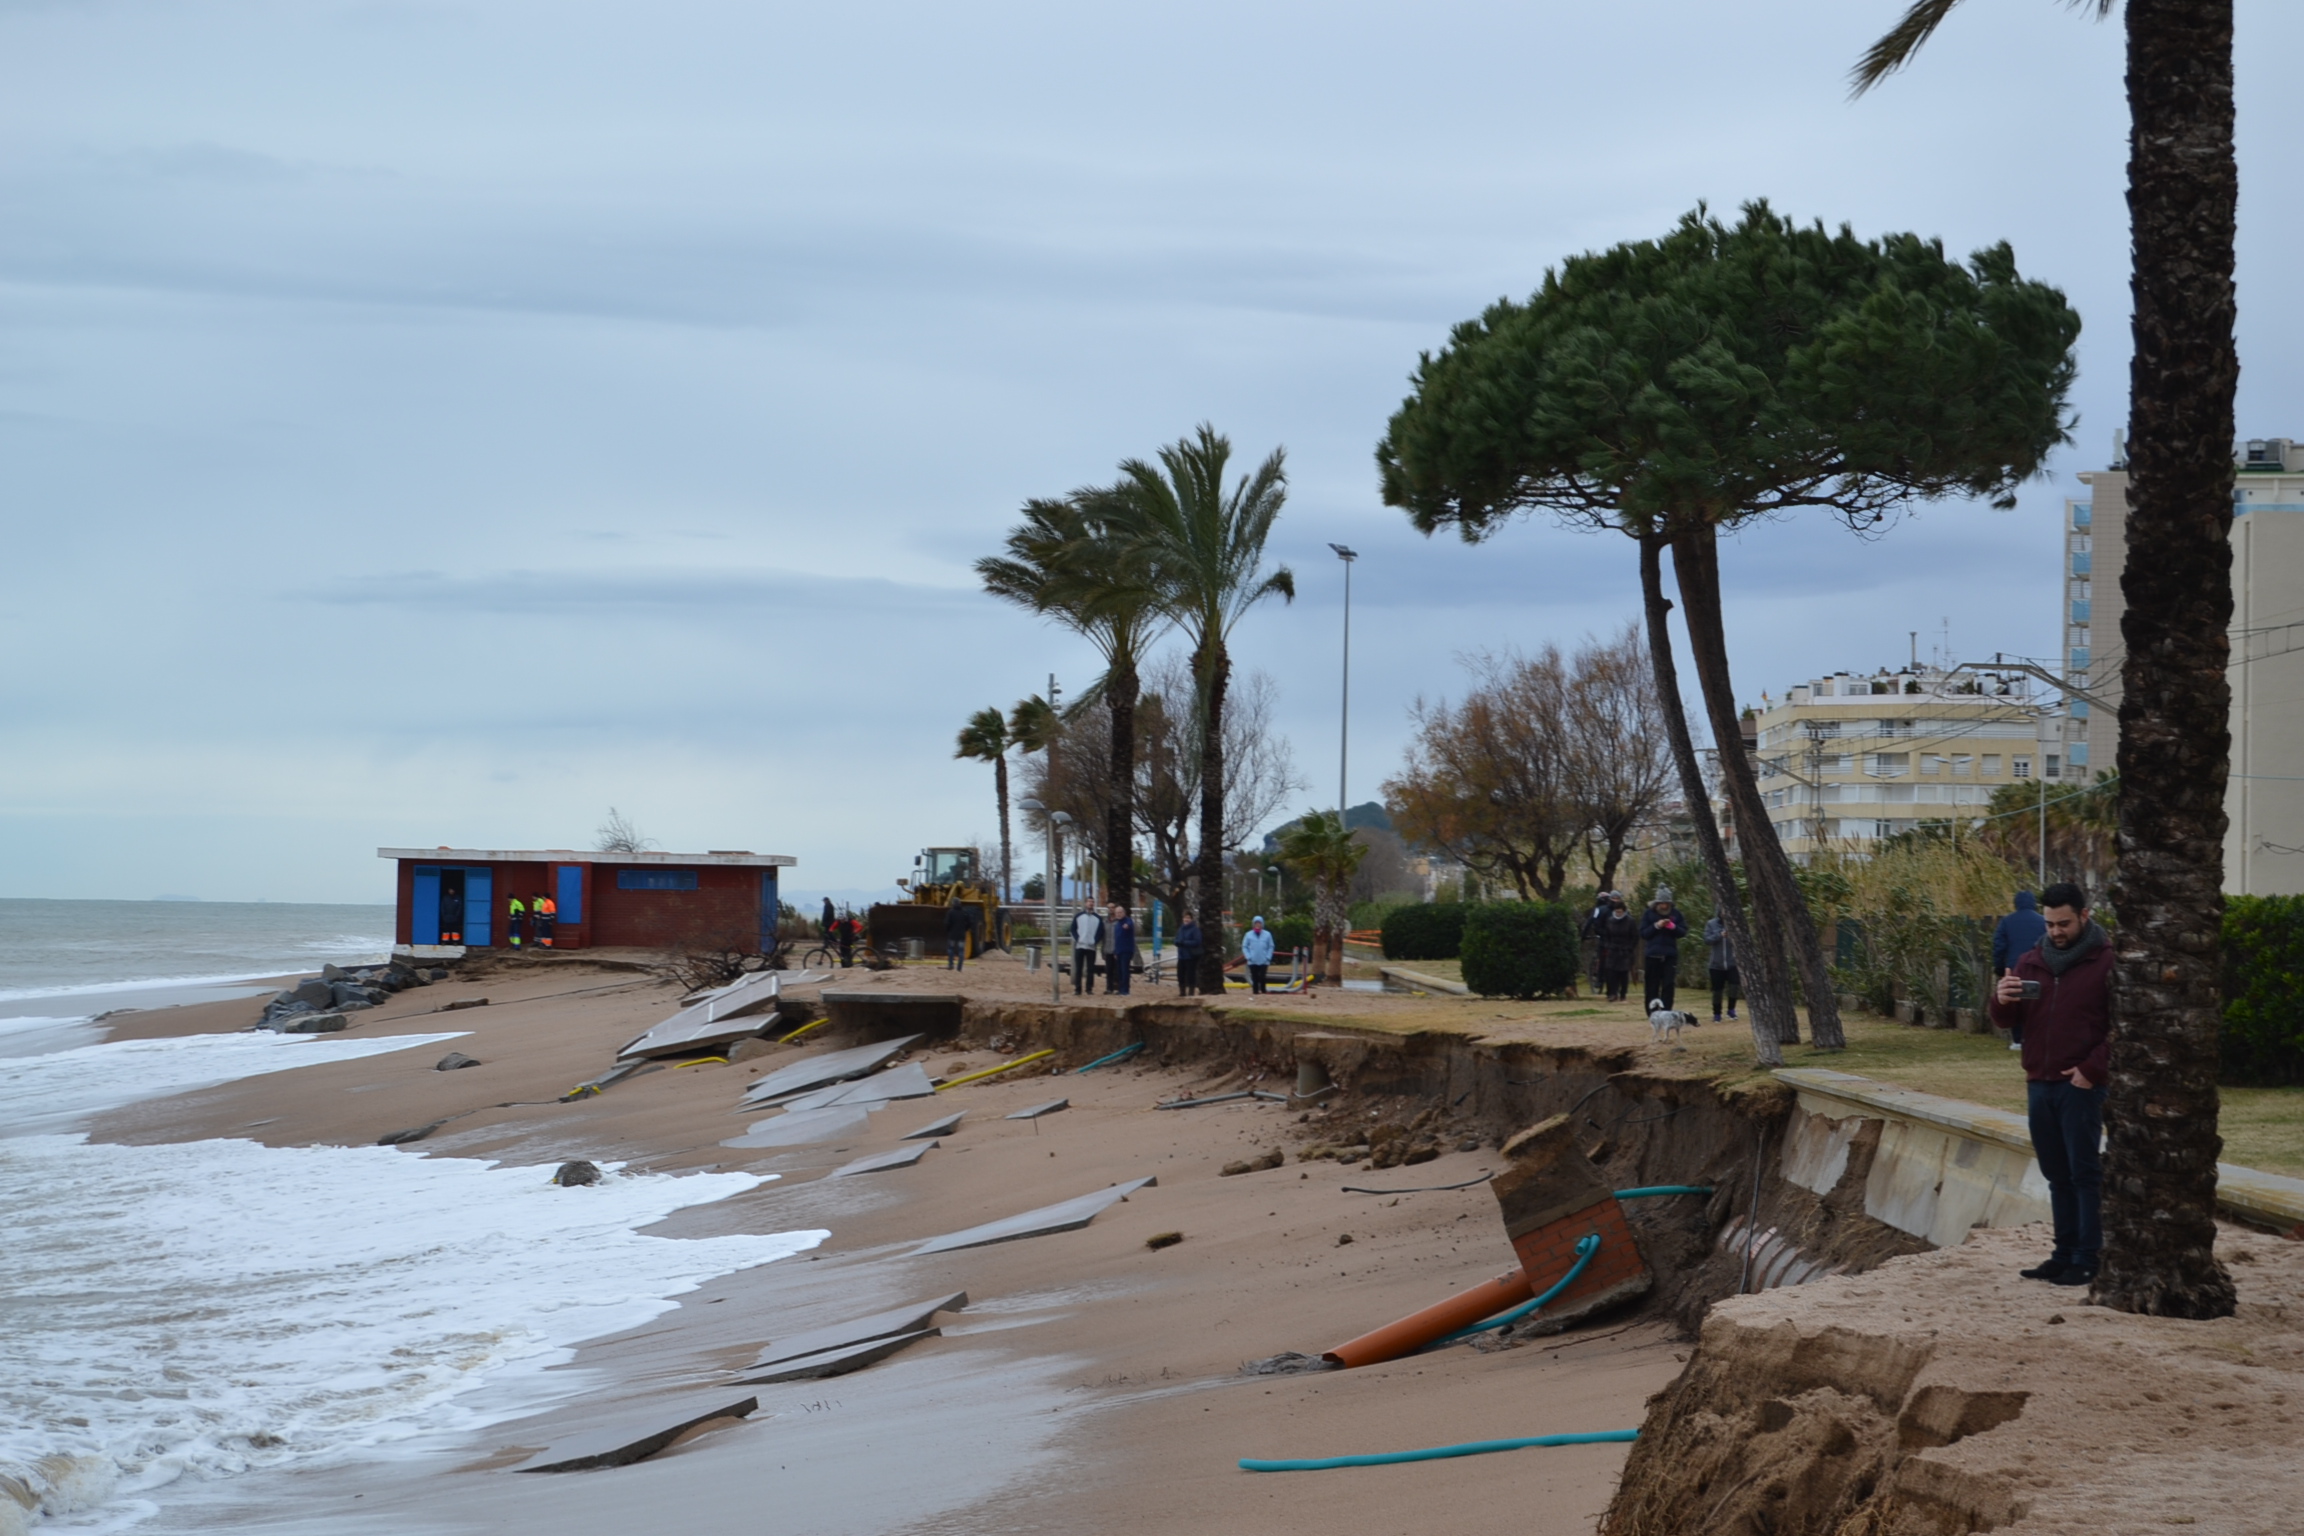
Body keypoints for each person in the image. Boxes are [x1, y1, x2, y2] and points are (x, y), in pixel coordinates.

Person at [1989, 881, 2113, 1288]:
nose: (2057, 931)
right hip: (2038, 1083)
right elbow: (2008, 1021)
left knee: (2084, 1174)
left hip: (2080, 1085)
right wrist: (2002, 999)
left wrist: (2091, 1070)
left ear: (2084, 916)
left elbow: (2125, 1028)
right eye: (2051, 924)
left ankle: (2087, 1257)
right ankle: (2062, 1255)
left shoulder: (2107, 961)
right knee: (2056, 1174)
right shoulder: (2031, 961)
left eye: (2064, 923)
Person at [1991, 890, 2049, 1051]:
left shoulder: (2007, 922)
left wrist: (2000, 968)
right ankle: (2037, 1036)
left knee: (2015, 1001)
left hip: (2014, 966)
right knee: (2037, 1002)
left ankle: (2018, 1040)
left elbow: (1999, 946)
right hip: (2039, 966)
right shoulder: (2042, 921)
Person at [1639, 888, 1685, 1011]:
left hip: (1670, 956)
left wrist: (1673, 927)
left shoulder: (1676, 914)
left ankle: (1666, 1011)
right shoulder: (1648, 914)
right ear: (1657, 903)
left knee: (1668, 985)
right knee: (1651, 986)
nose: (1664, 906)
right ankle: (1652, 1012)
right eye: (1662, 903)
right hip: (1652, 955)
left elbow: (1683, 932)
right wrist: (1656, 926)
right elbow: (1643, 934)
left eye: (1667, 903)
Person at [1596, 893, 1638, 1003]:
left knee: (1623, 973)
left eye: (1620, 912)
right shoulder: (1610, 920)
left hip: (1625, 950)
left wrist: (1630, 948)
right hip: (1612, 949)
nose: (1618, 914)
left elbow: (1634, 937)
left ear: (1624, 911)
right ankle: (1612, 993)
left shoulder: (1630, 921)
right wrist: (1608, 945)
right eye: (1616, 912)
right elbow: (1607, 935)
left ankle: (1623, 994)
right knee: (1611, 972)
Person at [1704, 912, 1739, 1023]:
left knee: (1734, 986)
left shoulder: (1735, 922)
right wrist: (1719, 935)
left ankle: (1731, 1010)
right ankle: (1717, 1014)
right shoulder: (1711, 924)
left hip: (1732, 963)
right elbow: (1707, 940)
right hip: (1716, 964)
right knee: (1717, 990)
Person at [1581, 892, 1614, 991]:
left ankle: (1599, 980)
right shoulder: (1613, 909)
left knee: (1601, 957)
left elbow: (1590, 922)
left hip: (1603, 936)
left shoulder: (1598, 910)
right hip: (1613, 937)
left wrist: (1583, 935)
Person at [1070, 904, 1104, 996]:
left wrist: (1095, 941)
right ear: (1086, 903)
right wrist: (1078, 939)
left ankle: (1089, 988)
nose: (1090, 903)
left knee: (1090, 969)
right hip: (1080, 946)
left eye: (1092, 901)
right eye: (1089, 901)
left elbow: (1101, 932)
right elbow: (1073, 929)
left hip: (1091, 947)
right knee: (1079, 968)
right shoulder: (1079, 916)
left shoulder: (1098, 918)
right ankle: (1078, 989)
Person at [1241, 915, 1276, 994]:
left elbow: (1271, 946)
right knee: (1255, 977)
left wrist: (1268, 957)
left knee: (1262, 977)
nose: (1258, 925)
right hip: (1252, 960)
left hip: (1264, 960)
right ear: (1253, 924)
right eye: (1256, 923)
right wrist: (1248, 957)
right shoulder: (1248, 934)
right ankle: (1255, 992)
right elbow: (1244, 946)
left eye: (1259, 923)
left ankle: (1263, 991)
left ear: (1262, 924)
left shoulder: (1267, 934)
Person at [1107, 904, 1137, 996]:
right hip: (1119, 951)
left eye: (1120, 912)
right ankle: (1121, 989)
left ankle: (1125, 990)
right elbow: (1117, 939)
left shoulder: (1128, 920)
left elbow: (1130, 924)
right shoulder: (1117, 924)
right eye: (1117, 913)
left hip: (1126, 951)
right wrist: (1115, 951)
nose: (1118, 914)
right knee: (1119, 971)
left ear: (1124, 913)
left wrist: (1127, 926)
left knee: (1125, 971)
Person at [1173, 913, 1203, 996]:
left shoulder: (1195, 929)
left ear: (1191, 919)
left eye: (1188, 918)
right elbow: (1176, 939)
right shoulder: (1181, 929)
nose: (1186, 919)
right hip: (1181, 955)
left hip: (1191, 955)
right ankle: (1182, 991)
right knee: (1180, 974)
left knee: (1191, 974)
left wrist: (1184, 943)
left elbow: (1197, 941)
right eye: (1185, 918)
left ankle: (1191, 991)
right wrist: (1177, 942)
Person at [943, 896, 973, 972]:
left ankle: (951, 964)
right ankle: (959, 967)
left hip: (952, 934)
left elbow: (947, 923)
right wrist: (965, 929)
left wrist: (948, 930)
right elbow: (969, 923)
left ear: (953, 903)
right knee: (961, 951)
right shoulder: (964, 912)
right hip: (961, 935)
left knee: (950, 949)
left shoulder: (950, 912)